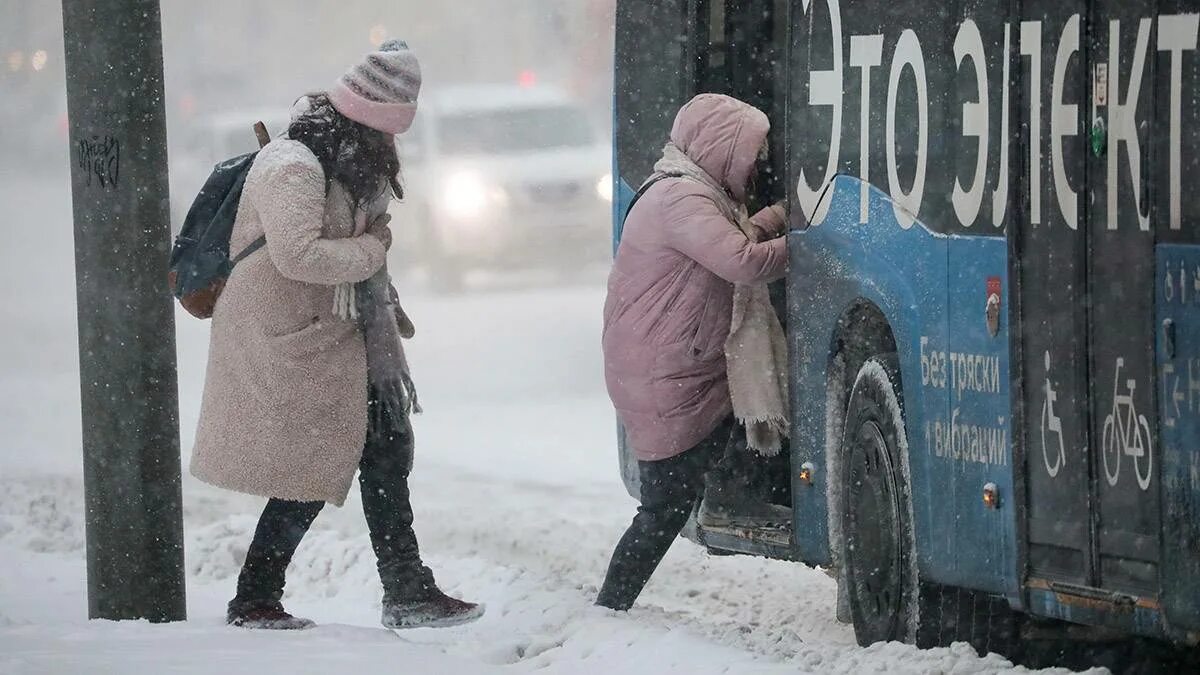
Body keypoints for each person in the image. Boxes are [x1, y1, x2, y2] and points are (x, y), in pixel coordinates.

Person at [190, 40, 483, 631]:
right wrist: (370, 249)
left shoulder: (350, 168)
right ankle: (256, 598)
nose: (392, 145)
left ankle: (405, 589)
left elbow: (360, 239)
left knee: (382, 449)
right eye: (388, 130)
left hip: (338, 333)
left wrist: (372, 259)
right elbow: (299, 255)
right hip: (289, 334)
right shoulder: (293, 165)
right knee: (314, 463)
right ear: (364, 120)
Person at [597, 93, 791, 611]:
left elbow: (735, 234)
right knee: (663, 505)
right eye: (750, 153)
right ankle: (608, 610)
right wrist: (814, 239)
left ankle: (741, 494)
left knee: (673, 494)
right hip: (662, 372)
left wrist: (779, 216)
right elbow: (743, 260)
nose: (756, 166)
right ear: (720, 147)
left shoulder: (693, 191)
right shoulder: (679, 200)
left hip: (666, 364)